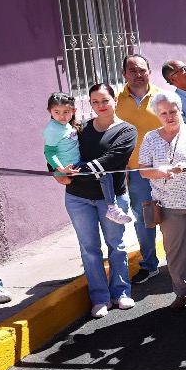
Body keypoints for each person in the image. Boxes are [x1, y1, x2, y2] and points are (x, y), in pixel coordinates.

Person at [55, 83, 137, 318]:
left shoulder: (127, 131)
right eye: (95, 102)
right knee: (89, 249)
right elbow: (60, 150)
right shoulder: (80, 129)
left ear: (115, 100)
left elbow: (111, 160)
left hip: (111, 200)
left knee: (116, 246)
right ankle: (100, 298)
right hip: (78, 198)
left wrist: (78, 170)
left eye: (105, 100)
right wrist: (57, 171)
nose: (101, 105)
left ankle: (121, 292)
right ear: (90, 103)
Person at [138, 90, 186, 312]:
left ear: (180, 111)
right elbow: (143, 171)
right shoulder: (150, 138)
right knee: (174, 252)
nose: (169, 117)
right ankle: (181, 292)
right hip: (168, 205)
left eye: (173, 111)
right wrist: (161, 171)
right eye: (163, 113)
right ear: (157, 114)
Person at [43, 92, 132, 225]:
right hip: (72, 168)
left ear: (74, 111)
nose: (62, 116)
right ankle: (112, 208)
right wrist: (60, 170)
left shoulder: (68, 125)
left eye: (66, 112)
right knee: (105, 175)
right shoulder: (52, 129)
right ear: (49, 111)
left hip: (76, 165)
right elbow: (49, 152)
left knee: (103, 175)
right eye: (57, 112)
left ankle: (111, 207)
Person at [115, 54, 163, 285]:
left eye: (142, 70)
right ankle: (149, 265)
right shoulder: (116, 101)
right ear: (124, 73)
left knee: (176, 216)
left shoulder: (163, 97)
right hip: (136, 172)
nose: (138, 74)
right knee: (144, 219)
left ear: (149, 72)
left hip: (166, 169)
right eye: (132, 70)